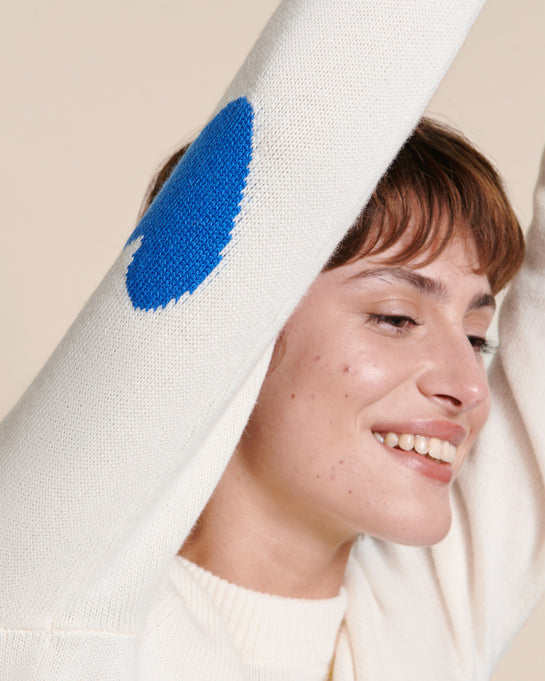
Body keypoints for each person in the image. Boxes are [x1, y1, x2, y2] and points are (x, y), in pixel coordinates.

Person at [1, 2, 544, 680]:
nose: (467, 387)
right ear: (241, 327)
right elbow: (294, 137)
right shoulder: (45, 605)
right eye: (396, 318)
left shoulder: (419, 630)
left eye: (476, 336)